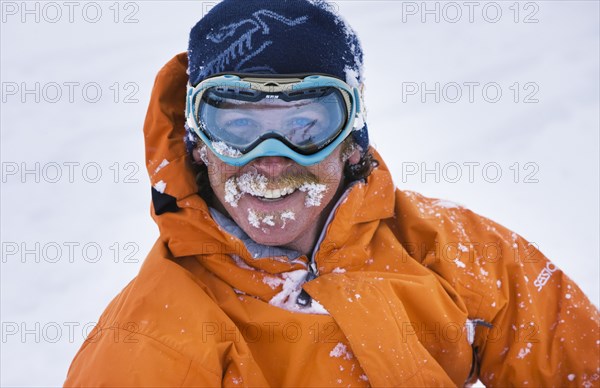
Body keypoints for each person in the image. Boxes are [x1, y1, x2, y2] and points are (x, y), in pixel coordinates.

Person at [64, 1, 599, 386]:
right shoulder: (150, 344)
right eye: (238, 126)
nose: (270, 161)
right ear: (199, 144)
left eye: (305, 124)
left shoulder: (456, 249)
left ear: (350, 140)